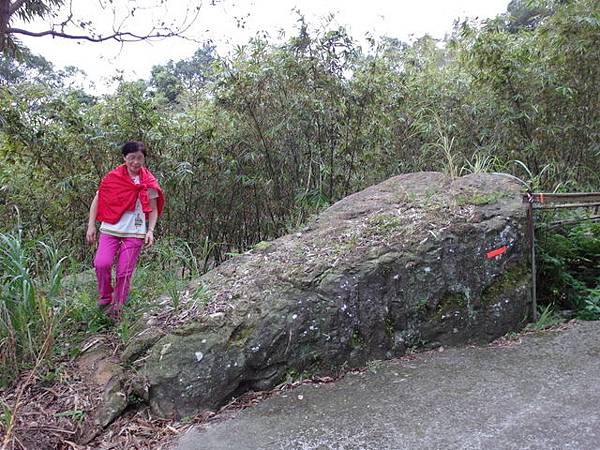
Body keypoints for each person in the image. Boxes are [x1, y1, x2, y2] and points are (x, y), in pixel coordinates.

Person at [86, 141, 164, 320]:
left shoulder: (148, 181)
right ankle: (105, 297)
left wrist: (150, 230)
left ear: (144, 159)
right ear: (124, 158)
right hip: (111, 228)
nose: (135, 162)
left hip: (135, 231)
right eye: (131, 158)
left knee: (124, 271)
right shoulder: (113, 177)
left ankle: (118, 306)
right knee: (101, 263)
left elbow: (153, 208)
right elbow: (97, 200)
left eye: (139, 158)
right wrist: (91, 225)